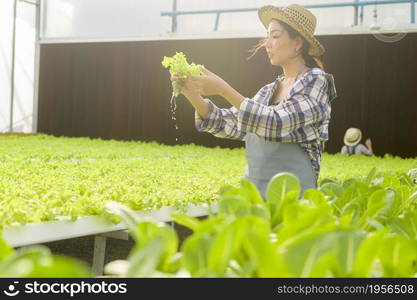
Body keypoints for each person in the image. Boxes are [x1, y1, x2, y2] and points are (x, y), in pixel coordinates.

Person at [171, 4, 337, 200]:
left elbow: (277, 123)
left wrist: (223, 89)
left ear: (298, 43)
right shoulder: (269, 91)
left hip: (294, 199)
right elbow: (230, 123)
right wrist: (191, 92)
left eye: (275, 36)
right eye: (268, 37)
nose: (267, 44)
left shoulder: (316, 81)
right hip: (255, 198)